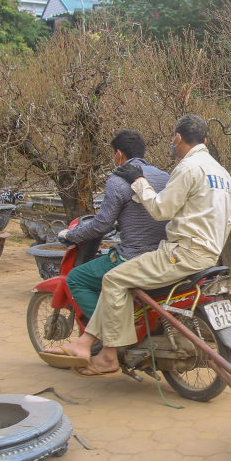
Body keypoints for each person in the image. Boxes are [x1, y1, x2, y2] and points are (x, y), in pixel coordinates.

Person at [45, 114, 231, 377]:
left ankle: (108, 354)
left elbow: (156, 211)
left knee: (112, 280)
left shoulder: (185, 168)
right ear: (205, 139)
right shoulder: (220, 172)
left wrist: (138, 181)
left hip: (181, 253)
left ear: (177, 137)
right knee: (120, 281)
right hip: (209, 253)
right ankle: (87, 343)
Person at [56, 129, 170, 321]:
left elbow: (101, 225)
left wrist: (70, 235)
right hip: (163, 255)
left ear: (118, 154)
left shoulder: (118, 179)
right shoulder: (165, 177)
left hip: (132, 257)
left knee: (76, 278)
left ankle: (107, 331)